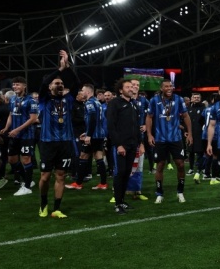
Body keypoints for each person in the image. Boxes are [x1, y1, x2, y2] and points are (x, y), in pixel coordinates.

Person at [37, 50, 79, 218]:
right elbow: (44, 82)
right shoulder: (44, 99)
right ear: (49, 87)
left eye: (61, 84)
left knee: (61, 175)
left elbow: (76, 83)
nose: (59, 85)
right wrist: (59, 70)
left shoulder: (68, 100)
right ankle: (43, 203)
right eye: (56, 83)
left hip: (65, 142)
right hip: (48, 142)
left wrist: (68, 67)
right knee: (45, 177)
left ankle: (57, 208)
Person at [146, 79, 193, 204]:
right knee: (160, 166)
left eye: (170, 86)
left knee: (181, 164)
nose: (169, 88)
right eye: (166, 86)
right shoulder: (154, 100)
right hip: (160, 139)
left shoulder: (178, 99)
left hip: (176, 138)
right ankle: (159, 193)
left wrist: (190, 134)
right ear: (161, 88)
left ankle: (180, 191)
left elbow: (186, 116)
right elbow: (149, 117)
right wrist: (149, 135)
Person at [107, 79, 145, 214]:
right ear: (121, 90)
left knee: (126, 173)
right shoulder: (114, 103)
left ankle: (122, 201)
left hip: (132, 145)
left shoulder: (133, 105)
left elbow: (137, 127)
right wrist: (118, 145)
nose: (131, 88)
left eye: (132, 87)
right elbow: (111, 126)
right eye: (128, 87)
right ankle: (117, 203)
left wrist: (140, 143)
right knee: (120, 173)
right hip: (121, 146)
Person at [65, 84, 108, 190]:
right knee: (98, 157)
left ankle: (78, 183)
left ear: (88, 92)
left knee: (83, 156)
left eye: (82, 91)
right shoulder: (97, 102)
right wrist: (87, 132)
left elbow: (93, 118)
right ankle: (103, 183)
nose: (81, 92)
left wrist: (89, 134)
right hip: (98, 134)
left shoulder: (89, 102)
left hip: (93, 135)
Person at [1, 77, 38, 196]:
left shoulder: (31, 100)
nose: (15, 87)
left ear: (24, 86)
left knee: (26, 159)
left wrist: (17, 129)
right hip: (14, 135)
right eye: (14, 85)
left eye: (18, 84)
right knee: (12, 159)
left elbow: (33, 119)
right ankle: (28, 179)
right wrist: (7, 128)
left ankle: (27, 187)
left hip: (26, 135)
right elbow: (11, 115)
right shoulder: (12, 99)